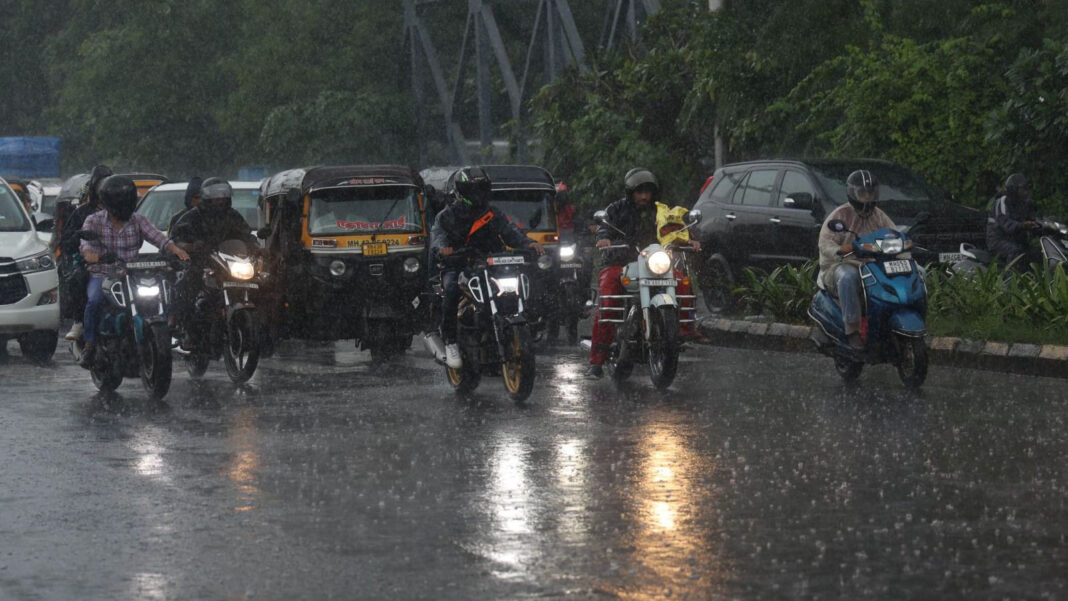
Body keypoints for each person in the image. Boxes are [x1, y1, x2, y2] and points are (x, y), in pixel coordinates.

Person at [586, 168, 700, 378]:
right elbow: (604, 227)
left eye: (648, 192)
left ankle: (682, 331)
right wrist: (604, 239)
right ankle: (596, 361)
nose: (644, 196)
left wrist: (690, 239)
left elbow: (674, 228)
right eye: (640, 192)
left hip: (654, 263)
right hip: (620, 262)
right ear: (631, 192)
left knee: (682, 283)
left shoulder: (661, 211)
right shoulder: (616, 209)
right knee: (608, 300)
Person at [431, 166, 543, 368]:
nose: (478, 194)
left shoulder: (492, 213)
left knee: (526, 280)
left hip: (490, 263)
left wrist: (528, 244)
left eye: (482, 188)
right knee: (451, 290)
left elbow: (510, 232)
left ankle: (528, 326)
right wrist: (442, 249)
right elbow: (438, 236)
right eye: (473, 189)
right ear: (461, 191)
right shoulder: (447, 216)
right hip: (459, 264)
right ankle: (451, 342)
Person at [78, 176, 190, 367]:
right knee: (94, 301)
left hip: (132, 274)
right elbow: (86, 247)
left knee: (168, 292)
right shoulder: (93, 221)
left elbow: (158, 238)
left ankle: (170, 330)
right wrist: (92, 256)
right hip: (103, 274)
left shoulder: (138, 220)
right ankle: (89, 345)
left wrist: (177, 251)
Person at [816, 169, 897, 351]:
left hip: (873, 266)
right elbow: (824, 244)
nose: (867, 197)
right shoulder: (840, 215)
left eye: (871, 193)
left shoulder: (879, 216)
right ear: (852, 193)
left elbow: (893, 234)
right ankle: (852, 330)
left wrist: (902, 244)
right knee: (848, 277)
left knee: (916, 272)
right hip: (840, 266)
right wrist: (840, 249)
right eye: (862, 193)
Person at [169, 177, 259, 338]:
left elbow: (246, 235)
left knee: (263, 281)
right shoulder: (193, 216)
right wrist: (191, 246)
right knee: (188, 285)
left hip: (228, 263)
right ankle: (188, 329)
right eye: (216, 197)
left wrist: (256, 247)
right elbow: (176, 238)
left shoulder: (233, 216)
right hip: (202, 262)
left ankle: (266, 331)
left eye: (223, 197)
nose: (220, 200)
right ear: (207, 198)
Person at [59, 165, 113, 341]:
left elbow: (148, 234)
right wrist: (80, 237)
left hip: (120, 263)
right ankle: (80, 321)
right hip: (91, 264)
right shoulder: (82, 213)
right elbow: (66, 242)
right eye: (101, 185)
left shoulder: (124, 212)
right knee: (79, 278)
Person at [986, 173, 1041, 268]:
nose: (1026, 192)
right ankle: (1011, 276)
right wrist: (1023, 225)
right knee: (1015, 252)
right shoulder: (1002, 202)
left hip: (1015, 241)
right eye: (1023, 189)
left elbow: (1033, 219)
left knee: (1036, 253)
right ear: (1013, 190)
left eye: (1027, 189)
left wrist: (1043, 225)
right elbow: (1006, 224)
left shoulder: (1024, 204)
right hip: (998, 240)